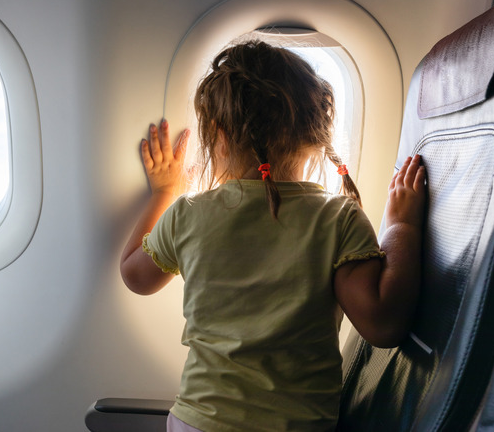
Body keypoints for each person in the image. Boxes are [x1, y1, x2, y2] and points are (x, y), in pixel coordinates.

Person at [120, 40, 425, 432]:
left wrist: (164, 192)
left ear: (218, 135)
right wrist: (403, 225)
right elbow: (383, 324)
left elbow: (135, 276)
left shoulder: (188, 213)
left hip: (198, 424)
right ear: (317, 135)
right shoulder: (337, 218)